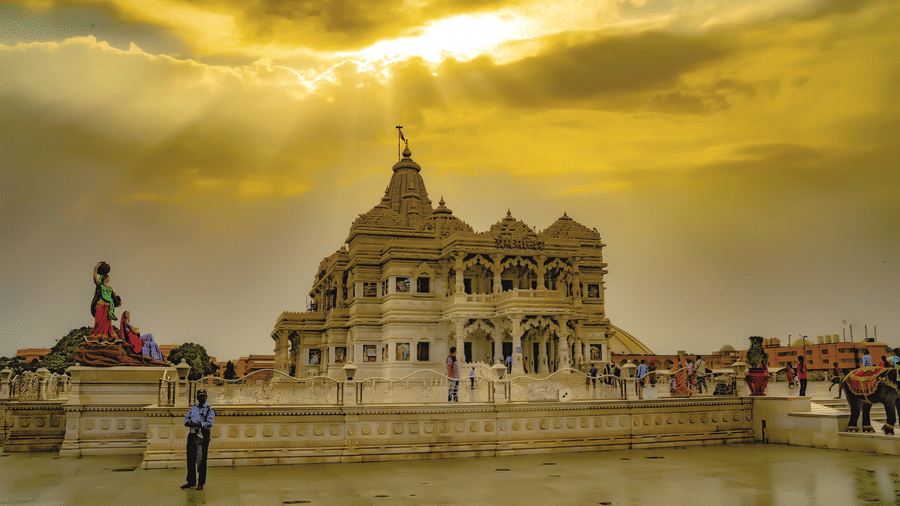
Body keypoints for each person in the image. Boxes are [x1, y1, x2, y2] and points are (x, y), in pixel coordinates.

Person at [182, 389, 215, 491]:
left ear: (206, 397)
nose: (202, 398)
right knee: (190, 460)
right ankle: (191, 481)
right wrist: (189, 422)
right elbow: (186, 419)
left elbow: (209, 424)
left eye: (203, 396)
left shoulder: (210, 409)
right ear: (197, 398)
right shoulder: (193, 408)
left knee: (201, 460)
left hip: (202, 436)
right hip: (192, 435)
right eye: (200, 396)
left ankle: (201, 483)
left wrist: (197, 424)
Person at [90, 262, 121, 342]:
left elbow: (113, 298)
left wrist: (118, 302)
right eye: (108, 278)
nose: (109, 279)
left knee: (107, 323)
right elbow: (94, 277)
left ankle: (106, 336)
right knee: (99, 322)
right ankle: (97, 336)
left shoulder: (110, 288)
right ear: (104, 278)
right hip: (100, 306)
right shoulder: (100, 286)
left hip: (108, 307)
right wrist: (96, 267)